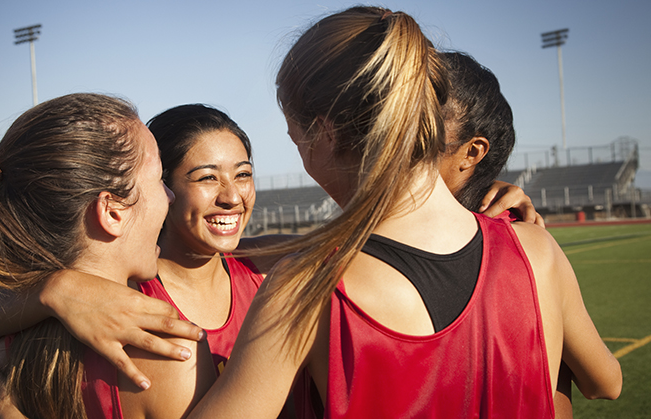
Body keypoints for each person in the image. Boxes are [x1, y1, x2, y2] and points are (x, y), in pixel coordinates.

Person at [177, 6, 621, 418]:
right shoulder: (536, 251)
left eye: (297, 139)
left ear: (326, 133)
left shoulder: (303, 290)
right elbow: (606, 381)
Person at [0, 93, 214, 419]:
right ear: (112, 211)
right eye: (157, 179)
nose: (170, 194)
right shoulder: (174, 354)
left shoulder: (7, 339)